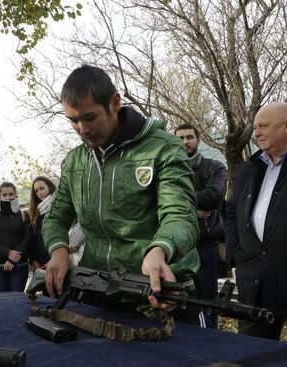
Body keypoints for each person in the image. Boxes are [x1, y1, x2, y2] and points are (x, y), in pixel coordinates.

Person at [42, 65, 200, 313]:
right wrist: (58, 249)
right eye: (73, 121)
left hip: (157, 291)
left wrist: (159, 250)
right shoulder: (75, 161)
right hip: (98, 291)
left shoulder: (163, 148)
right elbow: (56, 215)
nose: (82, 130)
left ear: (115, 103)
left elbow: (180, 215)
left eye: (90, 117)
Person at [226, 102, 287, 343]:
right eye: (255, 127)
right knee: (251, 353)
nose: (256, 132)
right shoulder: (250, 167)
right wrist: (237, 256)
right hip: (255, 282)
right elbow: (232, 211)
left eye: (263, 126)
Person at [175, 124, 228, 328]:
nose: (185, 142)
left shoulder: (214, 166)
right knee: (177, 302)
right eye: (180, 138)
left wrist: (175, 202)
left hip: (205, 245)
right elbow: (153, 201)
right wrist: (192, 211)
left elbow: (213, 197)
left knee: (207, 303)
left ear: (197, 140)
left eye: (189, 137)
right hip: (176, 247)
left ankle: (210, 346)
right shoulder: (167, 167)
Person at [0, 182, 31, 292]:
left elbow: (29, 238)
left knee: (17, 299)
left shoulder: (24, 215)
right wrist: (8, 252)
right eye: (4, 195)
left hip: (19, 266)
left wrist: (14, 257)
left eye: (11, 194)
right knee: (1, 301)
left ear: (15, 195)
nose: (8, 197)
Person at [28, 176, 57, 271]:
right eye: (36, 191)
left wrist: (55, 259)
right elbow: (34, 239)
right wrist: (34, 261)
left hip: (57, 260)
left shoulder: (58, 206)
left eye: (42, 188)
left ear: (49, 187)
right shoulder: (36, 212)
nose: (40, 193)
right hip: (40, 263)